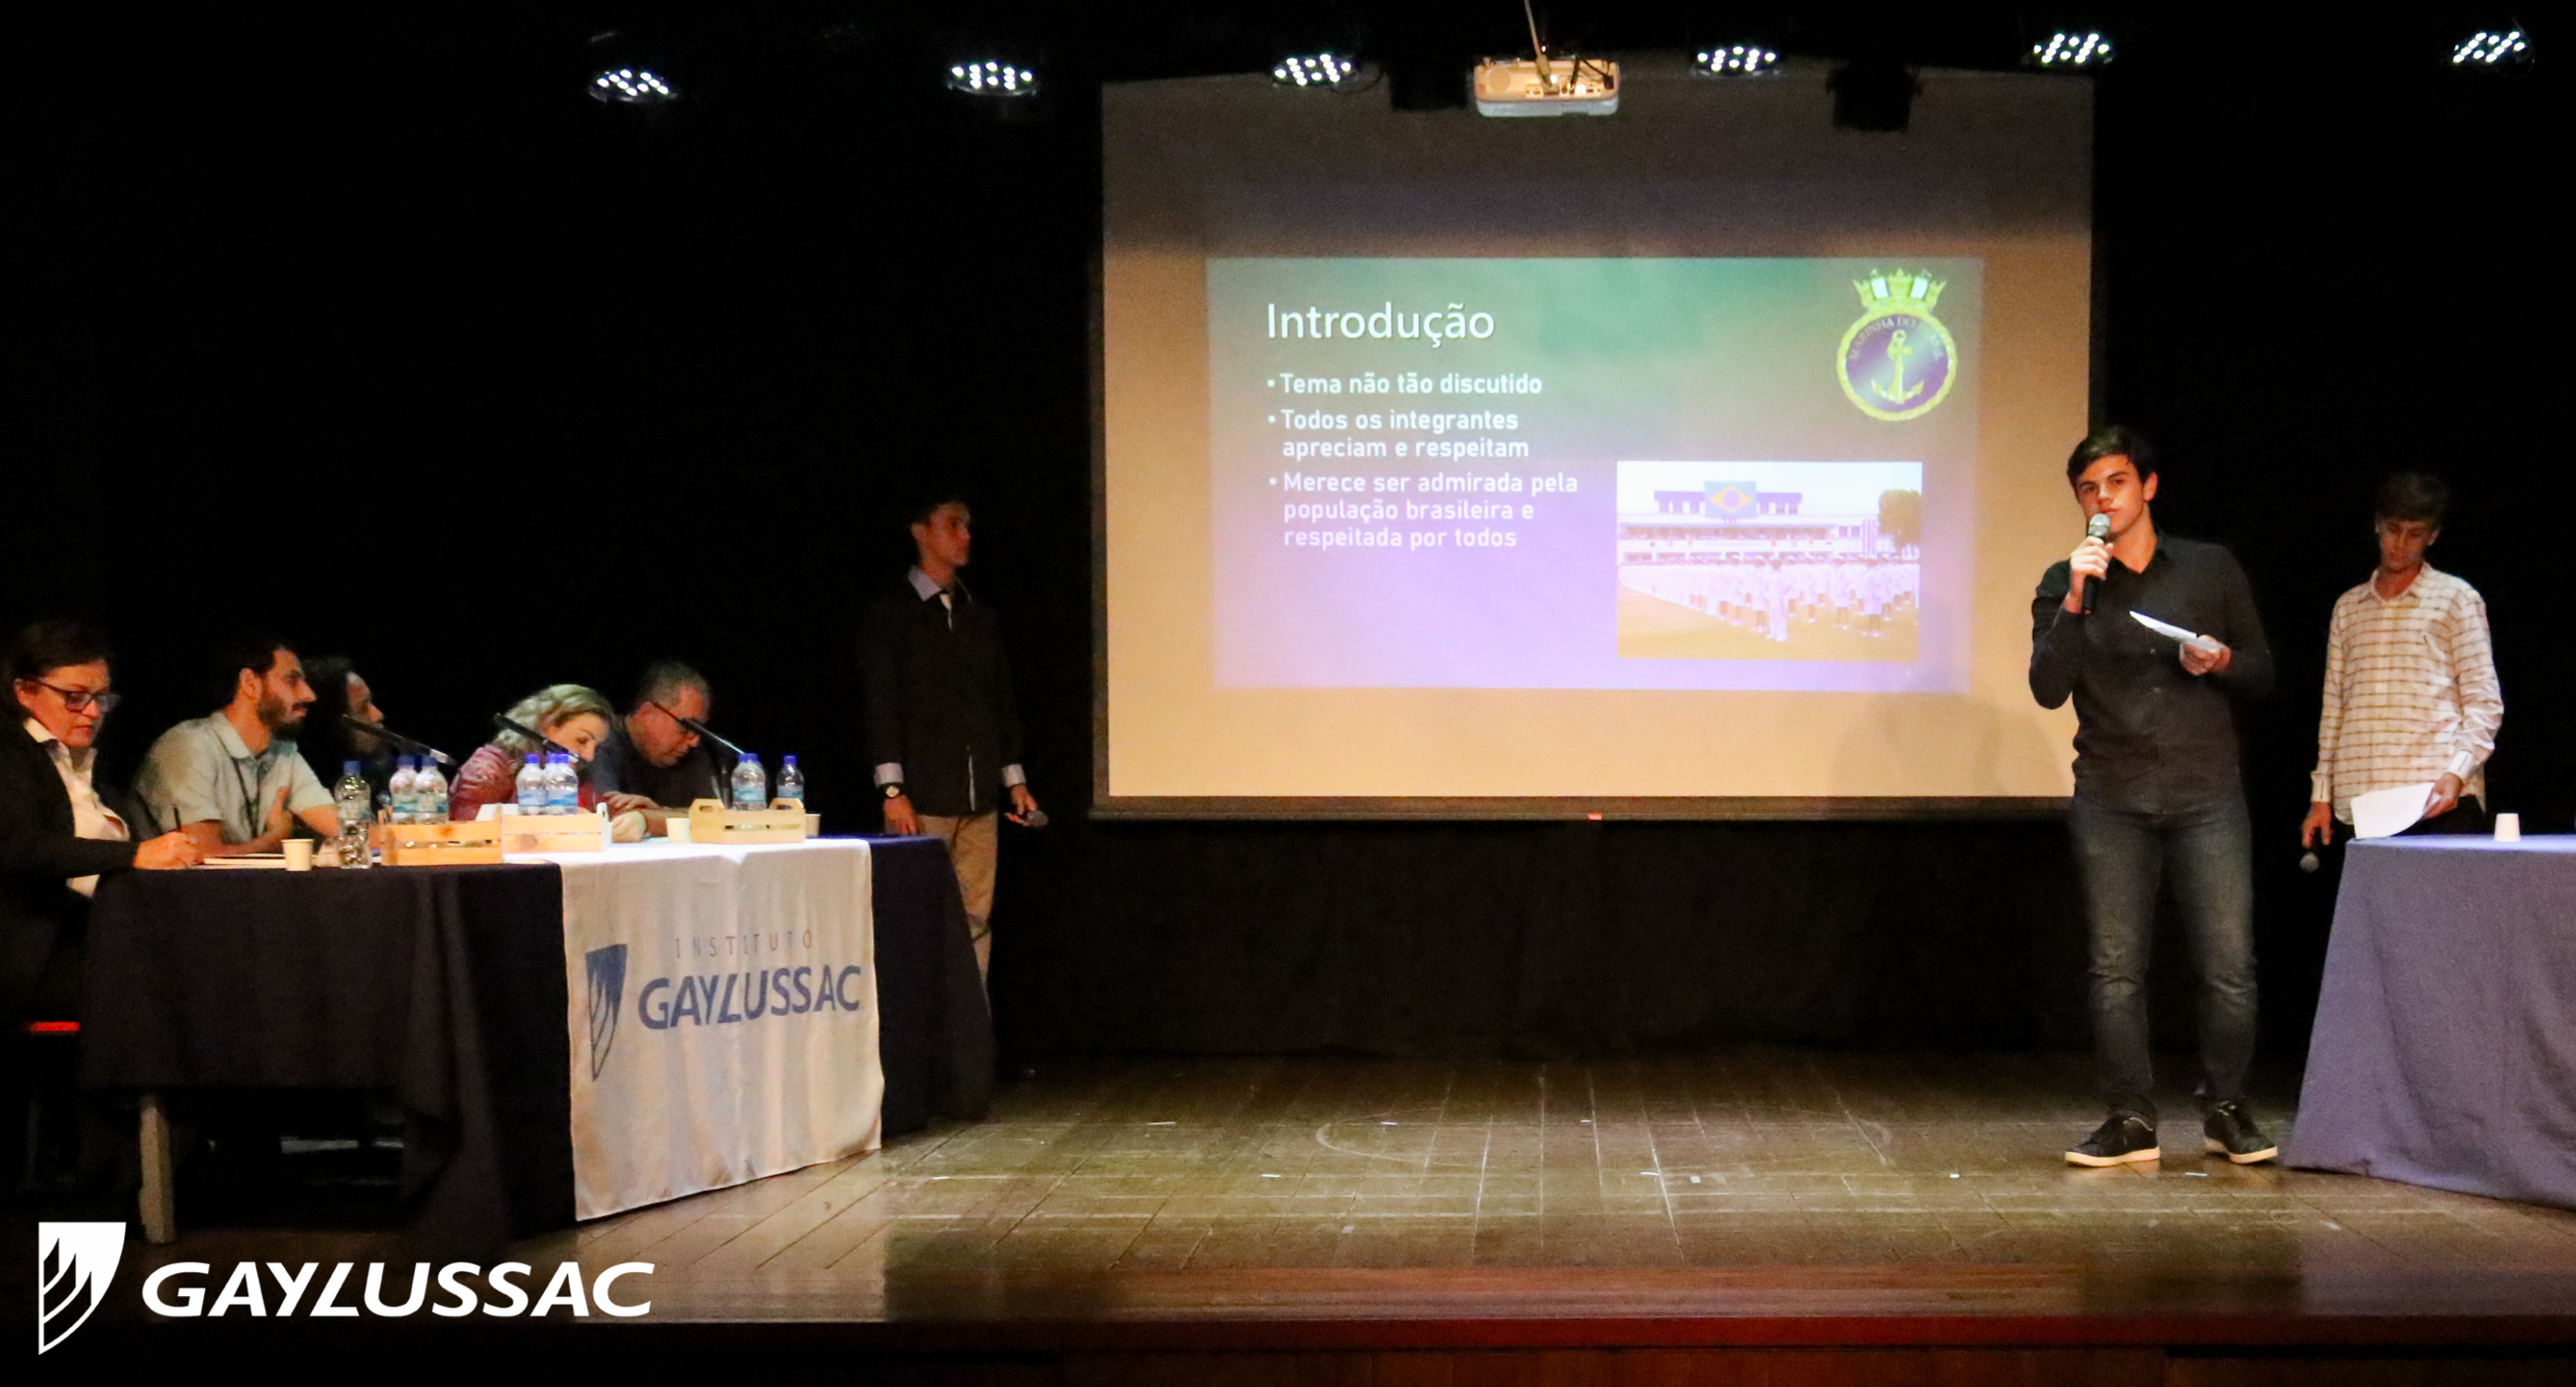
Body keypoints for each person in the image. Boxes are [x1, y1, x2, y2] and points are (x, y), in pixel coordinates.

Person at [2028, 427, 2278, 1168]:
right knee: (2115, 969)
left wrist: (2222, 659)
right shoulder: (2064, 581)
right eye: (2089, 489)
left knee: (2229, 966)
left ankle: (2225, 1105)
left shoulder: (2210, 567)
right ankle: (2131, 1116)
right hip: (2112, 795)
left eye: (2116, 482)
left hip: (2207, 793)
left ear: (2149, 487)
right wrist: (2078, 598)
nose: (2102, 499)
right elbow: (2047, 688)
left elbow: (2262, 671)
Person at [861, 492, 1040, 981]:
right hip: (923, 802)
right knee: (919, 917)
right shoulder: (892, 615)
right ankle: (922, 1022)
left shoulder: (978, 614)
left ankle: (971, 1021)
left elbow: (999, 702)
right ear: (921, 532)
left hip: (979, 800)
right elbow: (882, 707)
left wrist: (1015, 779)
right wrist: (892, 790)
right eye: (953, 525)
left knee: (976, 918)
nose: (965, 536)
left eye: (967, 526)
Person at [3, 621, 202, 1024]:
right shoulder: (10, 754)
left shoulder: (83, 762)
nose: (93, 712)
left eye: (102, 698)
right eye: (75, 698)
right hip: (36, 952)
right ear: (25, 691)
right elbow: (22, 848)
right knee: (175, 991)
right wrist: (136, 854)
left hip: (101, 936)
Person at [2301, 473, 2502, 846]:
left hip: (2435, 796)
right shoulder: (2349, 607)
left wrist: (2457, 773)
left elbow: (2484, 702)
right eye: (2394, 530)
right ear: (2378, 525)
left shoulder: (2456, 599)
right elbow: (2335, 706)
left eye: (2414, 534)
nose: (2400, 543)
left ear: (2432, 536)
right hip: (2362, 803)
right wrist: (2321, 795)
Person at [135, 635, 343, 854]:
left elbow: (344, 829)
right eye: (292, 680)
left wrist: (373, 834)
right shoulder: (188, 746)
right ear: (250, 683)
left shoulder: (283, 752)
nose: (309, 695)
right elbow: (203, 857)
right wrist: (274, 840)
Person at [445, 684, 617, 822]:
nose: (589, 756)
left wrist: (631, 819)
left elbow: (601, 813)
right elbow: (465, 823)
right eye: (582, 740)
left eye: (597, 747)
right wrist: (547, 818)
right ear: (545, 724)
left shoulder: (576, 772)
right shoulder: (489, 766)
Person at [594, 661, 723, 835]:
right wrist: (658, 818)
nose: (694, 741)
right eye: (686, 726)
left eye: (698, 730)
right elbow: (603, 815)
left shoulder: (692, 754)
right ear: (648, 713)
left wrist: (653, 816)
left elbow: (716, 817)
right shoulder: (599, 742)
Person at [297, 654, 395, 806]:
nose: (378, 715)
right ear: (331, 725)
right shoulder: (303, 787)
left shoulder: (378, 771)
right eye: (363, 708)